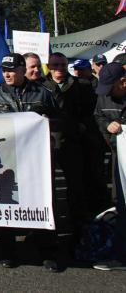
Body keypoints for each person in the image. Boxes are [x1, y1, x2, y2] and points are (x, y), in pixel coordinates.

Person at [0, 53, 61, 272]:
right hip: (7, 161)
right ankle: (8, 251)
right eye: (4, 70)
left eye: (12, 69)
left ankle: (48, 252)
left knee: (42, 203)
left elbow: (61, 121)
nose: (7, 73)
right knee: (6, 202)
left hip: (37, 161)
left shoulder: (43, 94)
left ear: (22, 69)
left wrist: (48, 123)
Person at [43, 52, 110, 232]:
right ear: (49, 66)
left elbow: (91, 113)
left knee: (75, 184)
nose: (59, 69)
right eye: (55, 65)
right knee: (46, 187)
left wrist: (81, 126)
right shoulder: (40, 87)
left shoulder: (82, 85)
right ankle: (49, 224)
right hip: (46, 143)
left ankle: (78, 223)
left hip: (72, 141)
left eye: (62, 65)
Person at [91, 62, 126, 270]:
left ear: (123, 82)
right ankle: (122, 257)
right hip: (119, 159)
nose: (107, 93)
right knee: (122, 205)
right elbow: (98, 116)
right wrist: (107, 126)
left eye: (111, 87)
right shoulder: (103, 96)